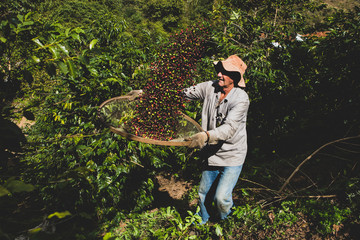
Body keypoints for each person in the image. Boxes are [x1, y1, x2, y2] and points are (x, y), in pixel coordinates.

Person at [183, 55, 249, 224]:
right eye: (219, 70)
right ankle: (202, 223)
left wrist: (206, 135)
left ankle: (225, 223)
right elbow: (184, 94)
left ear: (234, 77)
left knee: (221, 198)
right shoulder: (209, 87)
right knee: (204, 194)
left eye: (224, 72)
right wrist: (149, 95)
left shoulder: (241, 98)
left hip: (232, 155)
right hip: (211, 154)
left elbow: (229, 128)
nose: (219, 74)